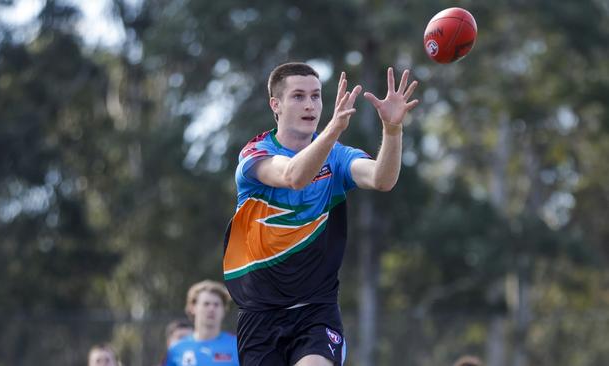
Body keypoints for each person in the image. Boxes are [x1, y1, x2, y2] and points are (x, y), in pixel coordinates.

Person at [223, 62, 419, 365]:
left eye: (316, 96)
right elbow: (293, 176)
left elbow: (382, 179)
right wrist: (332, 130)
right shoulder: (255, 154)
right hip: (259, 315)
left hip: (316, 311)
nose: (310, 104)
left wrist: (392, 130)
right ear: (276, 104)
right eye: (298, 96)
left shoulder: (338, 156)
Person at [164, 280, 239, 366]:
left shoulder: (238, 346)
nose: (211, 309)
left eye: (216, 304)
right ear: (193, 308)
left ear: (224, 310)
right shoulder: (176, 350)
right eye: (206, 304)